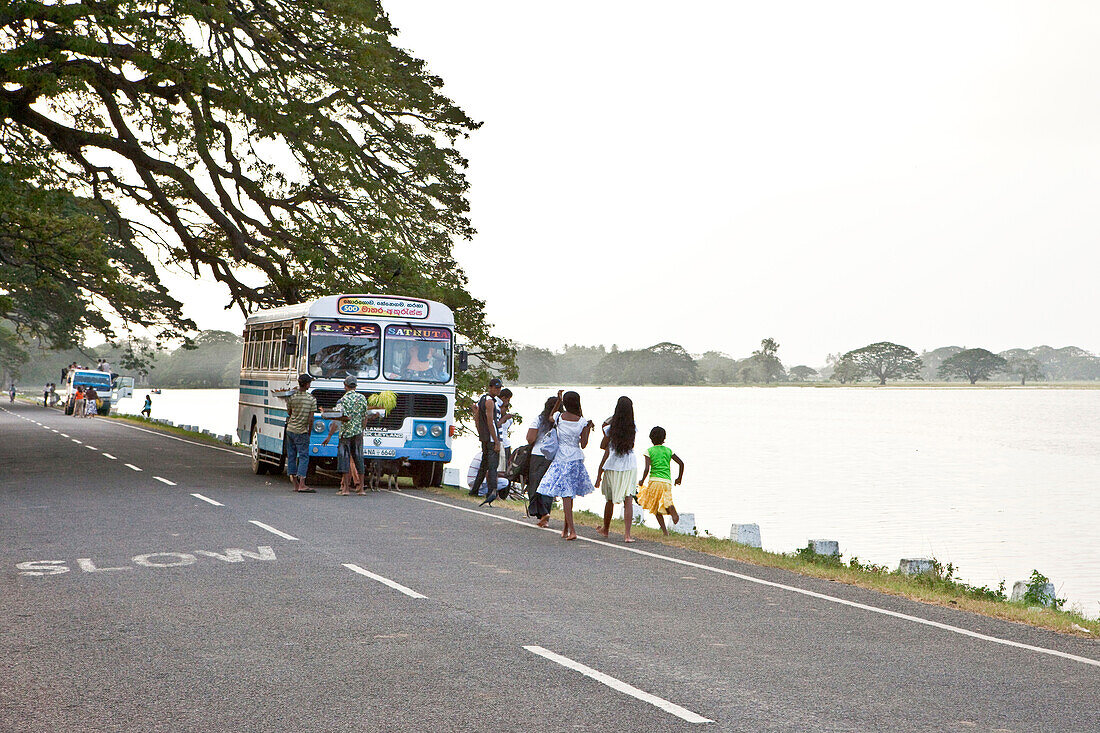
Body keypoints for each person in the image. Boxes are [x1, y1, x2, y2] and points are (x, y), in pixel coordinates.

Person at [535, 390, 595, 540]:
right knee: (568, 494)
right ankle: (566, 529)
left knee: (566, 495)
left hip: (561, 458)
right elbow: (584, 444)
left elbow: (550, 416)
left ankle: (571, 530)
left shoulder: (559, 417)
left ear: (565, 404)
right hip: (575, 458)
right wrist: (588, 429)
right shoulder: (582, 421)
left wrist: (558, 401)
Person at [595, 396, 638, 543]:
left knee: (610, 499)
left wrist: (607, 427)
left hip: (613, 464)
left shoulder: (610, 428)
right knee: (628, 499)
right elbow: (631, 446)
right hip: (629, 464)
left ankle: (606, 529)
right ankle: (627, 535)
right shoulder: (633, 427)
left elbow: (602, 445)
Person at [321, 375, 371, 495]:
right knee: (359, 459)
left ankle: (346, 489)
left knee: (345, 459)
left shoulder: (342, 400)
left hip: (345, 433)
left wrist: (329, 434)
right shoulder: (362, 398)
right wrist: (361, 429)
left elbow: (338, 419)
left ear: (345, 386)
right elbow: (365, 416)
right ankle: (361, 489)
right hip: (358, 433)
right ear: (355, 386)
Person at [636, 426, 686, 535]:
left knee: (655, 507)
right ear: (664, 438)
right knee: (666, 501)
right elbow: (681, 463)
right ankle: (671, 517)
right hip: (667, 482)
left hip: (654, 481)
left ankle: (665, 529)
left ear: (651, 438)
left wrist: (641, 481)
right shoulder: (668, 451)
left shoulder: (649, 451)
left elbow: (646, 469)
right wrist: (679, 478)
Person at [526, 395, 560, 527]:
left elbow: (530, 438)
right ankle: (545, 515)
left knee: (535, 485)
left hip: (538, 455)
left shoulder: (539, 419)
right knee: (549, 486)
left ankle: (542, 513)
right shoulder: (560, 421)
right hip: (554, 456)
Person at [281, 374, 318, 493]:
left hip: (290, 429)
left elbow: (289, 412)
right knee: (303, 457)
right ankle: (302, 483)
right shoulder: (311, 399)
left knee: (291, 456)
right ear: (307, 384)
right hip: (301, 431)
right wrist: (309, 432)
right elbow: (311, 419)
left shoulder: (292, 397)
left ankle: (295, 484)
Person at [469, 377, 503, 506]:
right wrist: (496, 441)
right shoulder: (489, 402)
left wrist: (480, 434)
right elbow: (491, 422)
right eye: (496, 388)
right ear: (490, 388)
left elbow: (477, 418)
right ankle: (491, 492)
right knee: (493, 466)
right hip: (490, 438)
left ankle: (474, 490)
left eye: (499, 388)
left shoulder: (482, 400)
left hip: (484, 437)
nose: (498, 390)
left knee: (484, 465)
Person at [497, 388, 515, 469]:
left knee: (506, 467)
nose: (506, 408)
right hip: (498, 444)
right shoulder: (495, 416)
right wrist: (503, 418)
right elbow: (495, 425)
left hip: (506, 444)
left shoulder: (509, 420)